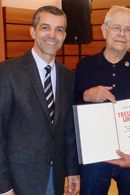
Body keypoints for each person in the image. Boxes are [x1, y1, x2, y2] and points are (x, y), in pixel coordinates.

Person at [74, 5, 130, 195]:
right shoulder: (85, 66)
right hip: (95, 162)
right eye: (116, 27)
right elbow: (71, 110)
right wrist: (85, 95)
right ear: (104, 30)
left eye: (128, 29)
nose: (122, 33)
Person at [0, 6, 80, 195]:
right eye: (46, 27)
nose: (53, 35)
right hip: (18, 180)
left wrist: (72, 171)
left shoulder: (68, 76)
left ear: (64, 35)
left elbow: (68, 130)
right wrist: (3, 187)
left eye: (59, 29)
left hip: (56, 177)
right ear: (33, 31)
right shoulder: (7, 72)